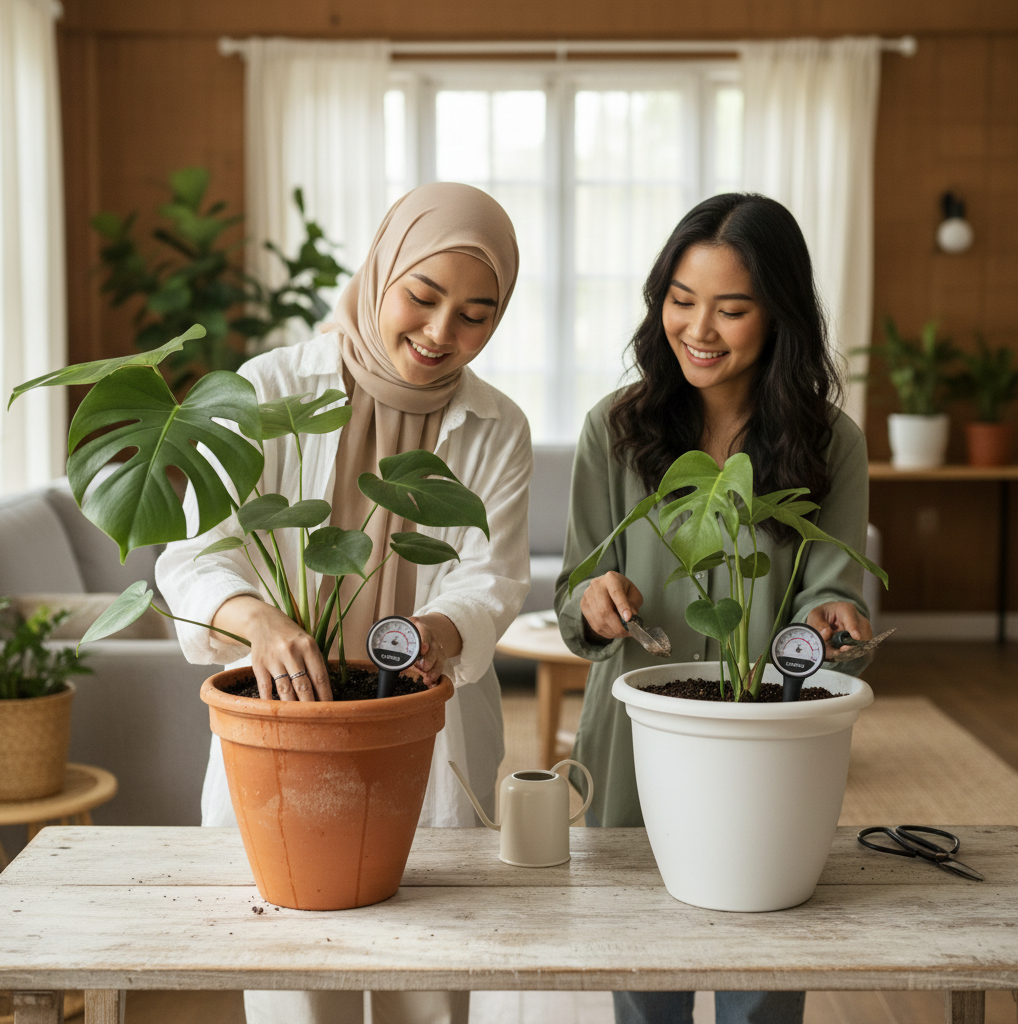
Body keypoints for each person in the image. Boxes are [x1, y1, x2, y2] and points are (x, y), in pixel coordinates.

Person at [156, 181, 532, 1024]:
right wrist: (257, 619)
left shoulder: (495, 424)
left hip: (416, 726)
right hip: (285, 723)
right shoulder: (267, 389)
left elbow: (492, 576)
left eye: (476, 314)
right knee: (298, 979)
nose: (442, 335)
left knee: (427, 982)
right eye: (423, 297)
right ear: (380, 271)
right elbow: (194, 556)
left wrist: (438, 625)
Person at [554, 192, 874, 1024]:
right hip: (636, 731)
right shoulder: (614, 430)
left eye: (731, 309)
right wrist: (593, 599)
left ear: (781, 315)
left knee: (763, 966)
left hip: (772, 733)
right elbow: (573, 593)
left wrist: (832, 619)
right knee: (641, 964)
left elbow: (831, 585)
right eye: (681, 301)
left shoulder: (829, 440)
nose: (699, 329)